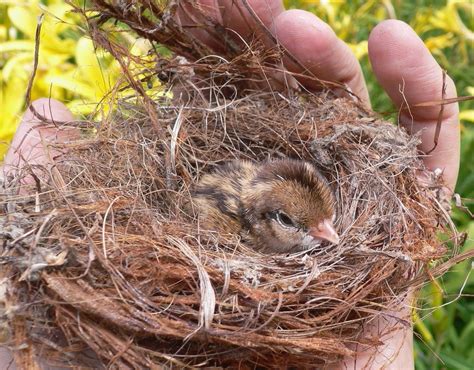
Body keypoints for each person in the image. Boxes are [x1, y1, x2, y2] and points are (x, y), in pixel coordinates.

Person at [0, 1, 459, 368]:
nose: (328, 235)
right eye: (298, 224)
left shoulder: (292, 215)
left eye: (325, 221)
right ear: (261, 221)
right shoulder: (226, 231)